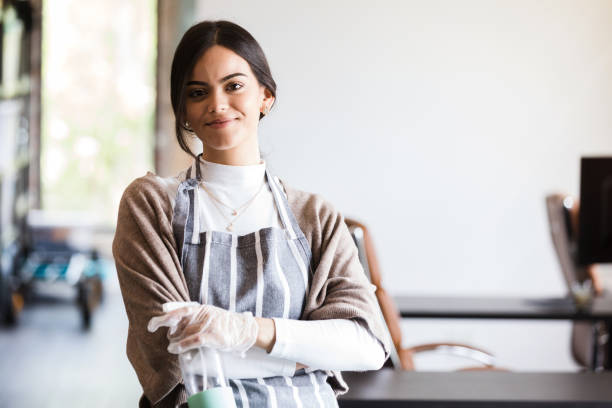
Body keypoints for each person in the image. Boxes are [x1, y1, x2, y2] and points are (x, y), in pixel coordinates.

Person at [112, 20, 389, 408]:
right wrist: (305, 356)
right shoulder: (151, 205)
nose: (218, 104)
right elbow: (172, 355)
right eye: (198, 92)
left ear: (266, 96)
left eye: (234, 85)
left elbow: (366, 345)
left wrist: (245, 330)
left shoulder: (314, 215)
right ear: (184, 112)